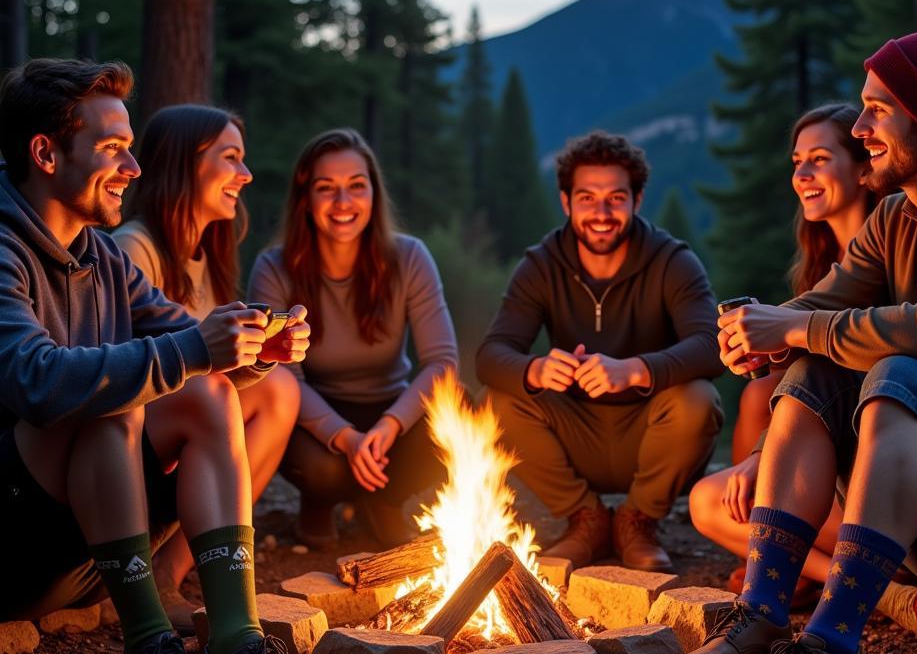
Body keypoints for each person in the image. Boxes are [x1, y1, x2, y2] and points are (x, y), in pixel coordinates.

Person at [669, 29, 917, 654]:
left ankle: (833, 647)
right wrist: (760, 330)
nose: (860, 129)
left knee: (902, 372)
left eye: (876, 110)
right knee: (814, 366)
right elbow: (821, 307)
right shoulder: (894, 217)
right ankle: (764, 616)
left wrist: (791, 327)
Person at [0, 59, 346, 654]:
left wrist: (252, 351)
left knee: (208, 394)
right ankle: (150, 650)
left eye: (131, 148)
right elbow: (32, 380)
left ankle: (235, 645)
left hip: (84, 548)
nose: (133, 167)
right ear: (45, 153)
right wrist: (194, 352)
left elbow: (188, 348)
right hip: (12, 544)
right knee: (109, 400)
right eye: (111, 149)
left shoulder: (100, 255)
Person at [476, 130, 724, 573]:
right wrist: (534, 369)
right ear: (567, 202)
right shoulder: (541, 265)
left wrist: (637, 369)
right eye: (588, 198)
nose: (602, 213)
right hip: (575, 432)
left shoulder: (672, 260)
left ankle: (637, 522)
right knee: (496, 401)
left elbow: (710, 347)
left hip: (648, 430)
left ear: (637, 200)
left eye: (615, 198)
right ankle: (585, 520)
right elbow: (491, 355)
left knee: (699, 400)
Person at [113, 105, 300, 633]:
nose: (245, 175)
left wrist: (264, 352)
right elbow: (131, 373)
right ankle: (145, 578)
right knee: (234, 397)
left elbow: (215, 369)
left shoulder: (206, 256)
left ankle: (168, 571)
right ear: (185, 164)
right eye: (231, 158)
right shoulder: (133, 248)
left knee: (281, 390)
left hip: (189, 427)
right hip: (133, 456)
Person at [688, 103, 874, 603]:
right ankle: (796, 569)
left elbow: (847, 379)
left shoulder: (884, 257)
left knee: (708, 501)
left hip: (871, 476)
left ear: (863, 167)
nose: (803, 174)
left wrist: (759, 458)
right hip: (828, 460)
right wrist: (770, 354)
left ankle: (851, 585)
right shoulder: (822, 265)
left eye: (818, 158)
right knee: (759, 396)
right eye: (797, 162)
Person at [248, 128, 458, 549]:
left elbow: (441, 362)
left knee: (464, 406)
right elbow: (282, 378)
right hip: (311, 421)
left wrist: (390, 424)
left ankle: (384, 498)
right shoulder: (274, 269)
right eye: (327, 189)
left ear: (374, 196)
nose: (343, 203)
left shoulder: (410, 257)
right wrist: (346, 437)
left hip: (389, 409)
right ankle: (320, 500)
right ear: (305, 199)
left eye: (356, 187)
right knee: (327, 471)